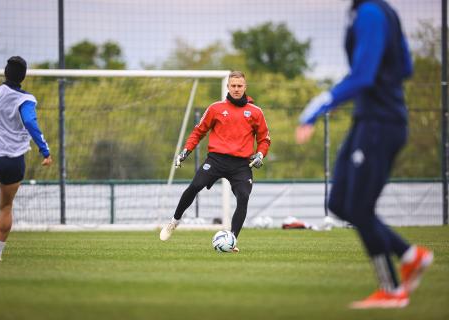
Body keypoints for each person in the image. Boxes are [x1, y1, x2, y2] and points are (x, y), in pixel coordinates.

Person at [296, 0, 433, 309]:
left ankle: (392, 290)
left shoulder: (370, 13)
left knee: (358, 208)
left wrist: (318, 106)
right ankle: (411, 256)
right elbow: (406, 67)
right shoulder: (380, 11)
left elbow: (363, 76)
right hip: (369, 121)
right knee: (339, 203)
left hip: (379, 124)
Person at [159, 71, 271, 251]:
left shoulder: (256, 112)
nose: (236, 89)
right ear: (228, 87)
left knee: (243, 197)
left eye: (239, 86)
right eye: (233, 86)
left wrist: (260, 154)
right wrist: (185, 152)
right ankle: (174, 221)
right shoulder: (215, 108)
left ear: (245, 87)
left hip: (241, 165)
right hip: (217, 160)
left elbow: (265, 139)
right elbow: (198, 132)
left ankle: (232, 239)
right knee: (195, 186)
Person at [0, 56, 52, 262]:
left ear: (5, 73)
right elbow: (30, 122)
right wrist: (45, 150)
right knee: (6, 207)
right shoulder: (26, 99)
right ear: (23, 77)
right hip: (15, 162)